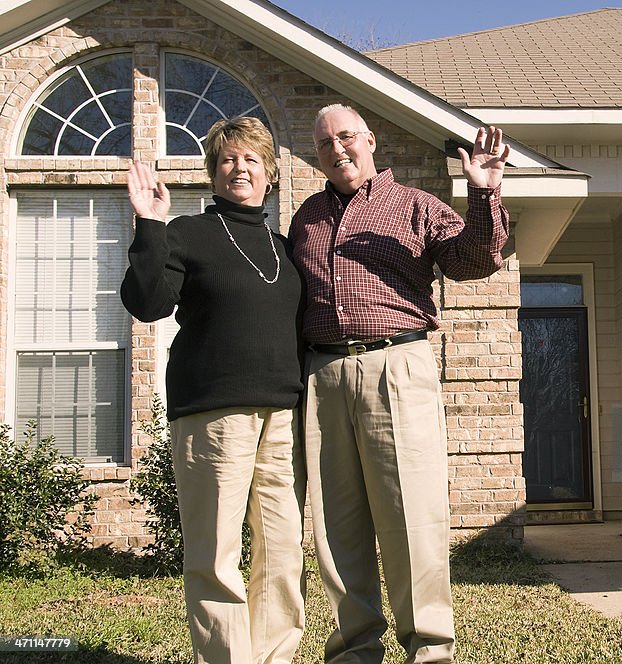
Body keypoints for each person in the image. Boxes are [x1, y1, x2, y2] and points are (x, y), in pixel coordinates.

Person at [290, 103, 510, 664]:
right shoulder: (306, 218)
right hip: (323, 375)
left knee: (412, 515)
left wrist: (482, 193)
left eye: (346, 138)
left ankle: (430, 649)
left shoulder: (414, 205)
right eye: (324, 144)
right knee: (336, 524)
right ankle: (354, 650)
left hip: (397, 365)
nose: (337, 150)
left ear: (371, 140)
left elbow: (474, 260)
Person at [120, 117, 306, 664]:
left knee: (281, 553)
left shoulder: (283, 246)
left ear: (269, 173)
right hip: (212, 411)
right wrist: (149, 224)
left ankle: (275, 656)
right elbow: (147, 302)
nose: (239, 168)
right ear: (213, 173)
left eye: (251, 159)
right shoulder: (185, 233)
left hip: (283, 413)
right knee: (216, 551)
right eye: (227, 160)